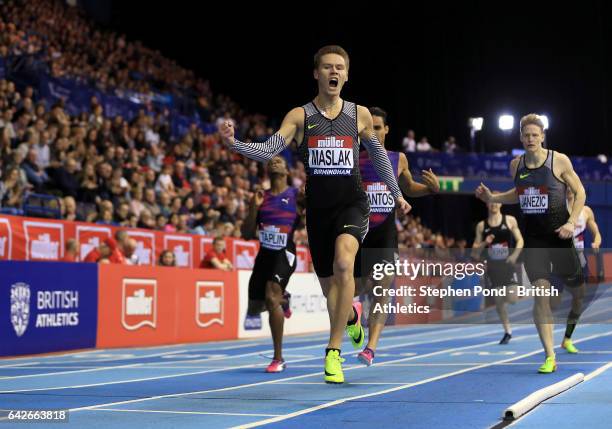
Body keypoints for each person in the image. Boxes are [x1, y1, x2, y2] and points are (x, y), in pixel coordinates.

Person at [220, 45, 410, 384]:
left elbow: (379, 157)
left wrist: (396, 193)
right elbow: (269, 150)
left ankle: (333, 352)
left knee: (343, 263)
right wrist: (236, 144)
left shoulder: (359, 114)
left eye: (339, 67)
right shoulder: (300, 116)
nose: (333, 72)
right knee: (330, 292)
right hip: (319, 213)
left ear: (347, 75)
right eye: (326, 67)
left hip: (352, 204)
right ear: (316, 73)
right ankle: (351, 316)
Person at [476, 114, 586, 373]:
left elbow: (580, 192)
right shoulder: (516, 165)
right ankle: (549, 356)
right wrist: (494, 196)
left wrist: (570, 222)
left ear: (543, 136)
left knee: (578, 293)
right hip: (535, 240)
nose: (530, 139)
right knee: (541, 294)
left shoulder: (558, 160)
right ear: (521, 138)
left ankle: (568, 330)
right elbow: (519, 193)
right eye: (526, 135)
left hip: (560, 237)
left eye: (535, 135)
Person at [354, 107, 439, 366]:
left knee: (382, 287)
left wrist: (430, 189)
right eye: (369, 128)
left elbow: (408, 187)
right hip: (358, 233)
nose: (374, 132)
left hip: (385, 233)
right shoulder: (354, 159)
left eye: (378, 128)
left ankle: (370, 348)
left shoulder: (398, 158)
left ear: (386, 130)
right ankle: (353, 318)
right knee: (354, 290)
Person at [241, 156, 299, 373]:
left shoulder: (296, 195)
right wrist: (254, 208)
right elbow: (247, 234)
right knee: (256, 308)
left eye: (280, 161)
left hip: (285, 253)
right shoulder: (259, 196)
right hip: (264, 254)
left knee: (270, 296)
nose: (275, 162)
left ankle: (278, 358)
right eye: (271, 161)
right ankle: (284, 301)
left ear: (287, 171)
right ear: (268, 170)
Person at [472, 193, 523, 344]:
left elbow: (520, 240)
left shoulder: (510, 220)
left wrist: (514, 256)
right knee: (499, 303)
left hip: (508, 265)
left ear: (501, 204)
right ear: (487, 204)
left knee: (512, 299)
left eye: (497, 201)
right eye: (491, 201)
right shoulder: (482, 226)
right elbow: (475, 252)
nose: (494, 204)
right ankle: (508, 331)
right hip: (493, 268)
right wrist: (484, 243)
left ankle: (508, 327)